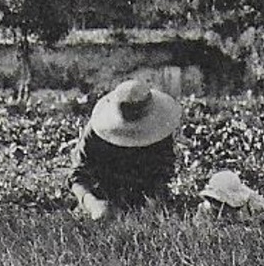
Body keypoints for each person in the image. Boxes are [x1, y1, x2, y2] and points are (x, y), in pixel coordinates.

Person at [69, 78, 181, 221]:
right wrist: (92, 204)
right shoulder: (97, 131)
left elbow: (163, 171)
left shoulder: (159, 128)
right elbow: (77, 177)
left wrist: (154, 200)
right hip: (104, 194)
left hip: (144, 194)